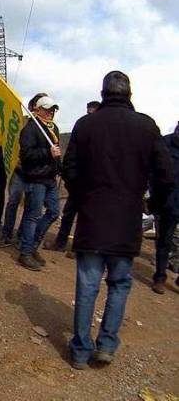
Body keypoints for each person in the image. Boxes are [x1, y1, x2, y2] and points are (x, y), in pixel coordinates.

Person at [61, 71, 173, 369]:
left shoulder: (86, 124)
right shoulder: (146, 126)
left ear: (103, 92)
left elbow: (68, 167)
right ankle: (106, 345)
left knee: (87, 286)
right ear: (129, 94)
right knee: (119, 284)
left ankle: (80, 350)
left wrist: (82, 198)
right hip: (126, 221)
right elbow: (167, 175)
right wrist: (152, 204)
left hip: (92, 219)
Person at [46, 100, 100, 251]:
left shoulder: (104, 131)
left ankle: (79, 248)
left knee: (87, 216)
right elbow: (71, 151)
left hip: (93, 182)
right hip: (78, 180)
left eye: (92, 112)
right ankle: (60, 242)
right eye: (88, 111)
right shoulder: (82, 124)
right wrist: (68, 174)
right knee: (69, 212)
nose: (89, 115)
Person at [0, 93, 47, 248]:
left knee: (29, 206)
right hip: (18, 171)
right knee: (13, 202)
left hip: (35, 174)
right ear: (32, 107)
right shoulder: (22, 122)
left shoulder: (46, 128)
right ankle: (6, 234)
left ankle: (21, 236)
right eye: (37, 106)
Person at [16, 95, 62, 271]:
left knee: (53, 212)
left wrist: (59, 167)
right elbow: (26, 155)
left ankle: (32, 245)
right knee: (33, 215)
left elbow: (56, 151)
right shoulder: (30, 129)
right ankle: (25, 252)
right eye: (47, 109)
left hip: (50, 178)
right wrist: (47, 153)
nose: (50, 112)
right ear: (37, 109)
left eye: (53, 109)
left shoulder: (53, 128)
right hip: (35, 178)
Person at [152, 120, 179, 294]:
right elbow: (153, 170)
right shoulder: (164, 143)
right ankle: (160, 277)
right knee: (164, 241)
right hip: (166, 201)